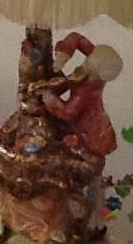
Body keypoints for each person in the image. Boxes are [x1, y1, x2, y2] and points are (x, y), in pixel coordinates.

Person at [42, 33, 122, 161]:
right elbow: (77, 38)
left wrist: (50, 99)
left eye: (89, 65)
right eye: (88, 60)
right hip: (93, 121)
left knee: (79, 141)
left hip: (91, 129)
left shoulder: (87, 90)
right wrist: (64, 53)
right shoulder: (97, 57)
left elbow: (67, 112)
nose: (86, 63)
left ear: (98, 72)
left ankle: (83, 148)